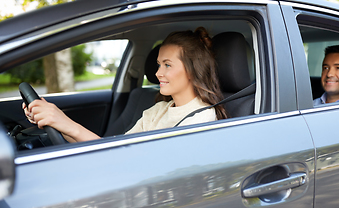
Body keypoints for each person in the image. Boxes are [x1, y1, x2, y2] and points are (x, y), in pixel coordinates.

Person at [23, 27, 228, 143]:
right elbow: (115, 150)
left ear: (193, 70)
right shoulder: (157, 110)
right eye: (158, 64)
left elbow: (121, 160)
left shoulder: (201, 120)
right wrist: (54, 121)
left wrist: (63, 121)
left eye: (167, 65)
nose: (157, 73)